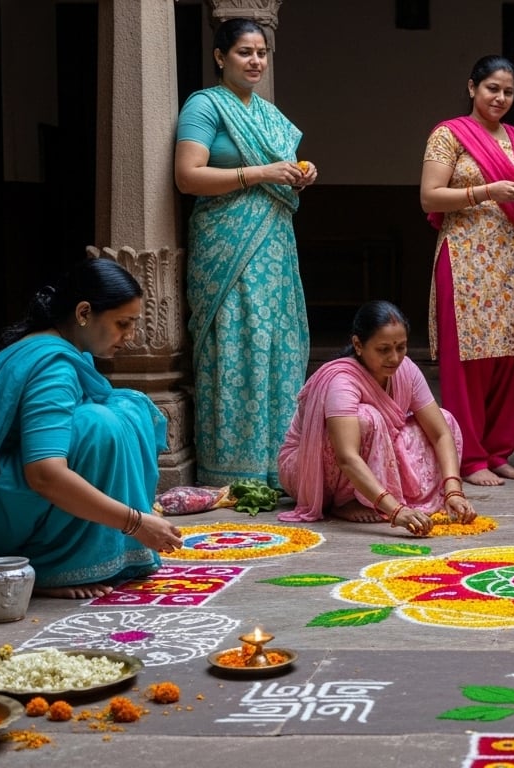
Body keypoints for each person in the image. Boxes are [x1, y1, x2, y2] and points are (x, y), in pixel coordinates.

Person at [0, 259, 184, 599]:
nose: (130, 336)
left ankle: (82, 553)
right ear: (83, 313)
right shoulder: (53, 368)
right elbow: (44, 474)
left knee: (126, 409)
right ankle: (52, 566)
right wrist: (135, 522)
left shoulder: (67, 352)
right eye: (123, 323)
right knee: (98, 425)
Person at [174, 17, 317, 487]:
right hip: (226, 245)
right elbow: (187, 176)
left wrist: (299, 171)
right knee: (235, 343)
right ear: (220, 56)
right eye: (244, 52)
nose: (256, 61)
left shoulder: (269, 114)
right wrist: (260, 174)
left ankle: (280, 466)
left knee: (277, 343)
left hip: (273, 248)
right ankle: (231, 469)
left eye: (262, 52)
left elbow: (282, 168)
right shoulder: (205, 106)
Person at [420, 54, 514, 487]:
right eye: (492, 88)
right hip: (465, 259)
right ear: (473, 87)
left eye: (508, 91)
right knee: (468, 360)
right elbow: (430, 197)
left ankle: (497, 452)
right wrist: (488, 190)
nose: (500, 97)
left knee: (510, 358)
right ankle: (469, 456)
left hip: (512, 260)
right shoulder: (448, 136)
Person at [276, 302, 476, 536]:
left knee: (445, 418)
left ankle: (374, 497)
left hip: (367, 458)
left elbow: (441, 433)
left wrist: (453, 489)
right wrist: (396, 511)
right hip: (307, 471)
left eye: (401, 347)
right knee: (367, 419)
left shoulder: (406, 370)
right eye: (383, 350)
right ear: (358, 345)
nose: (394, 358)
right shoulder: (341, 381)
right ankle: (345, 502)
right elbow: (347, 457)